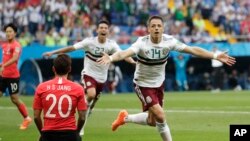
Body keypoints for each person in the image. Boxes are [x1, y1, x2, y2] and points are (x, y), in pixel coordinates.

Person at [97, 15, 236, 141]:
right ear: (148, 29)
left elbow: (192, 50)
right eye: (153, 26)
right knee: (161, 116)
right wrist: (110, 57)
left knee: (153, 121)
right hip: (143, 84)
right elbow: (124, 53)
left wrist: (215, 55)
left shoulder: (169, 41)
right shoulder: (141, 43)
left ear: (163, 28)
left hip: (159, 84)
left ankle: (125, 118)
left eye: (159, 26)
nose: (156, 28)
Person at [42, 20, 135, 135]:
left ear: (108, 31)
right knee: (91, 94)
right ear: (97, 30)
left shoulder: (111, 44)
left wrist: (134, 62)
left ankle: (85, 114)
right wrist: (53, 52)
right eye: (101, 27)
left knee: (91, 106)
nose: (103, 30)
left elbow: (122, 55)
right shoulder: (89, 42)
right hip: (89, 74)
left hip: (101, 79)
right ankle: (80, 117)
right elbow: (71, 48)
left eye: (105, 28)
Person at [33, 54, 87, 141]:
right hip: (70, 133)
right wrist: (77, 132)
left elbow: (36, 116)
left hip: (48, 134)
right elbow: (82, 117)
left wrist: (42, 133)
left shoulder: (41, 87)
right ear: (69, 69)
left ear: (53, 69)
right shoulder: (78, 88)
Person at [0, 23, 32, 130]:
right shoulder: (4, 45)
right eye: (7, 32)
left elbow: (14, 58)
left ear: (15, 33)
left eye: (10, 31)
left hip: (13, 77)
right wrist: (2, 64)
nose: (8, 33)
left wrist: (3, 65)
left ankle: (27, 118)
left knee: (14, 99)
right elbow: (5, 58)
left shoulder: (17, 45)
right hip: (3, 76)